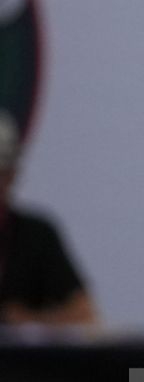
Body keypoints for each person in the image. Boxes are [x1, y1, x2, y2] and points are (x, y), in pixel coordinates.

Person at [0, 113, 93, 327]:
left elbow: (84, 315)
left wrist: (29, 322)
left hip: (17, 359)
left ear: (12, 175)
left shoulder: (35, 236)